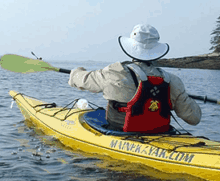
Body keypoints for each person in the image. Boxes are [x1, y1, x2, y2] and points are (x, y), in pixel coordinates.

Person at [68, 24, 202, 133]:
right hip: (159, 133)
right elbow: (194, 118)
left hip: (121, 133)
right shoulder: (173, 81)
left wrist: (75, 72)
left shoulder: (115, 72)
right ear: (156, 50)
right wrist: (180, 95)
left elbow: (81, 80)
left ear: (132, 47)